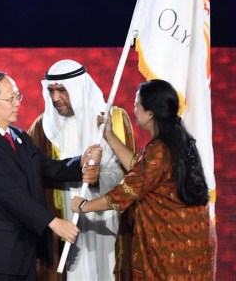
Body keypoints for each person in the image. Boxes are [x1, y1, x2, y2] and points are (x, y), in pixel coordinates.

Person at [0, 71, 102, 281]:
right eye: (11, 98)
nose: (17, 103)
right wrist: (54, 222)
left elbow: (48, 169)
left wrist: (81, 161)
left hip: (24, 253)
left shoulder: (18, 137)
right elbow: (10, 194)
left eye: (18, 96)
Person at [70, 79, 217, 280]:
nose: (134, 107)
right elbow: (140, 169)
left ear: (150, 113)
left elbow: (124, 194)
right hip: (193, 239)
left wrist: (84, 205)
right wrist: (109, 136)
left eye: (137, 103)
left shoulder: (159, 151)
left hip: (173, 248)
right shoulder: (177, 139)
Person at [28, 59, 136, 280]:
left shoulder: (113, 119)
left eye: (62, 90)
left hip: (107, 222)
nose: (56, 98)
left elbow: (130, 175)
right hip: (64, 224)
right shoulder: (42, 127)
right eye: (51, 91)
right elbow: (34, 176)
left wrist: (98, 179)